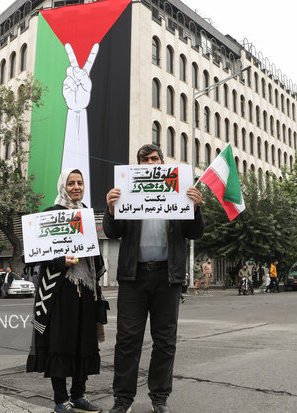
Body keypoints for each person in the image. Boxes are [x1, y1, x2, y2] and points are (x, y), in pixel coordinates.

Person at [104, 144, 204, 413]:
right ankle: (122, 399)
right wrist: (111, 208)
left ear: (162, 163)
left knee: (165, 340)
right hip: (133, 277)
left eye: (154, 159)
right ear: (138, 166)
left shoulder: (179, 192)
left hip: (166, 278)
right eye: (144, 160)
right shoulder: (126, 193)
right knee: (127, 340)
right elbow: (113, 233)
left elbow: (194, 233)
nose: (150, 163)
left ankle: (159, 397)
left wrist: (195, 206)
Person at [26, 168, 105, 413]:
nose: (76, 187)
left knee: (84, 342)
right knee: (59, 343)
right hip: (59, 291)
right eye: (71, 183)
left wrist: (96, 261)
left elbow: (94, 255)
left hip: (87, 290)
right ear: (63, 186)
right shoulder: (50, 215)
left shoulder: (86, 214)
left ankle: (79, 396)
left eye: (80, 183)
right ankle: (61, 400)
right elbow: (33, 255)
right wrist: (61, 261)